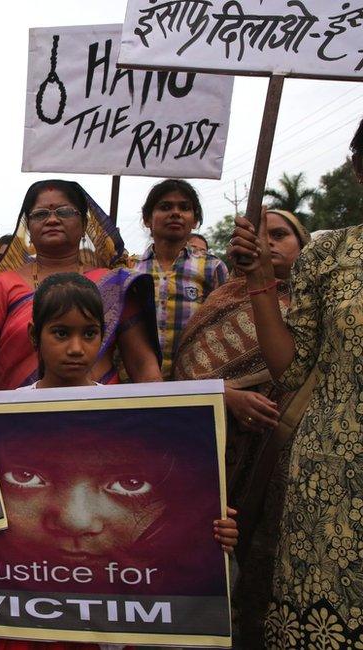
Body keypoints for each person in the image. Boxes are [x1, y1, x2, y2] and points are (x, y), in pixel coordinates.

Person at [0, 273, 238, 650]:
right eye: (61, 333)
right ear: (35, 336)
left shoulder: (129, 416)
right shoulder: (2, 416)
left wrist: (209, 527)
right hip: (21, 619)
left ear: (104, 336)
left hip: (110, 620)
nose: (76, 348)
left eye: (89, 333)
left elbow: (183, 512)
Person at [228, 117, 363, 647]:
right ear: (358, 167)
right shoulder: (328, 256)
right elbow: (294, 368)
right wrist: (261, 281)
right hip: (335, 474)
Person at [175, 209, 311, 647]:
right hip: (216, 456)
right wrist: (228, 395)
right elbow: (184, 380)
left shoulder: (318, 304)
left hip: (291, 454)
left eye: (281, 235)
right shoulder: (220, 299)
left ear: (303, 245)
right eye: (261, 235)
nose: (269, 243)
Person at [0, 180, 161, 389]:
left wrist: (157, 416)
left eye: (64, 212)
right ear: (28, 228)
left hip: (99, 413)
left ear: (84, 226)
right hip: (21, 413)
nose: (52, 219)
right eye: (40, 214)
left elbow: (143, 365)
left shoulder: (113, 284)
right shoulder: (4, 284)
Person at [134, 179, 228, 379]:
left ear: (194, 221)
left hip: (196, 384)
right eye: (165, 207)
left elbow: (224, 329)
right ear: (147, 219)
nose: (175, 213)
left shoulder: (212, 268)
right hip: (138, 387)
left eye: (184, 208)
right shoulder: (131, 271)